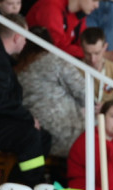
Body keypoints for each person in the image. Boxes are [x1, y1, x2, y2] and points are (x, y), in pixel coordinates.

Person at [15, 26, 86, 158]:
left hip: (36, 137)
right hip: (68, 134)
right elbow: (84, 92)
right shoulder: (56, 60)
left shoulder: (18, 69)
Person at [0, 14, 52, 186]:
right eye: (25, 37)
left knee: (44, 137)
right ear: (17, 37)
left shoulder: (5, 61)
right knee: (29, 135)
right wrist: (28, 118)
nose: (25, 43)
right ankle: (27, 186)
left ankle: (18, 182)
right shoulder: (0, 62)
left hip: (5, 120)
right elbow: (1, 101)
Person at [25, 0, 98, 58]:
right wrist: (89, 52)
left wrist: (93, 51)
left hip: (54, 61)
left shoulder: (79, 14)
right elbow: (57, 47)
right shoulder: (51, 6)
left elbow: (84, 42)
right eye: (94, 0)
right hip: (33, 58)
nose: (97, 6)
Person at [80, 27, 113, 105]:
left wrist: (106, 107)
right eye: (88, 54)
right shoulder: (74, 70)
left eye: (97, 53)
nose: (93, 59)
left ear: (105, 47)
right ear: (82, 48)